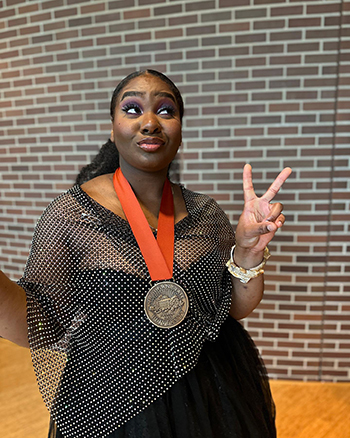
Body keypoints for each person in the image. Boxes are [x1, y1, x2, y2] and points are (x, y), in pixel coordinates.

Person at [0, 69, 291, 438]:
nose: (150, 122)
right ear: (112, 128)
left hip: (210, 389)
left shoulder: (206, 212)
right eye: (133, 108)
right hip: (110, 399)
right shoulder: (72, 214)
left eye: (166, 111)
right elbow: (37, 322)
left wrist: (248, 252)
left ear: (180, 132)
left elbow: (234, 308)